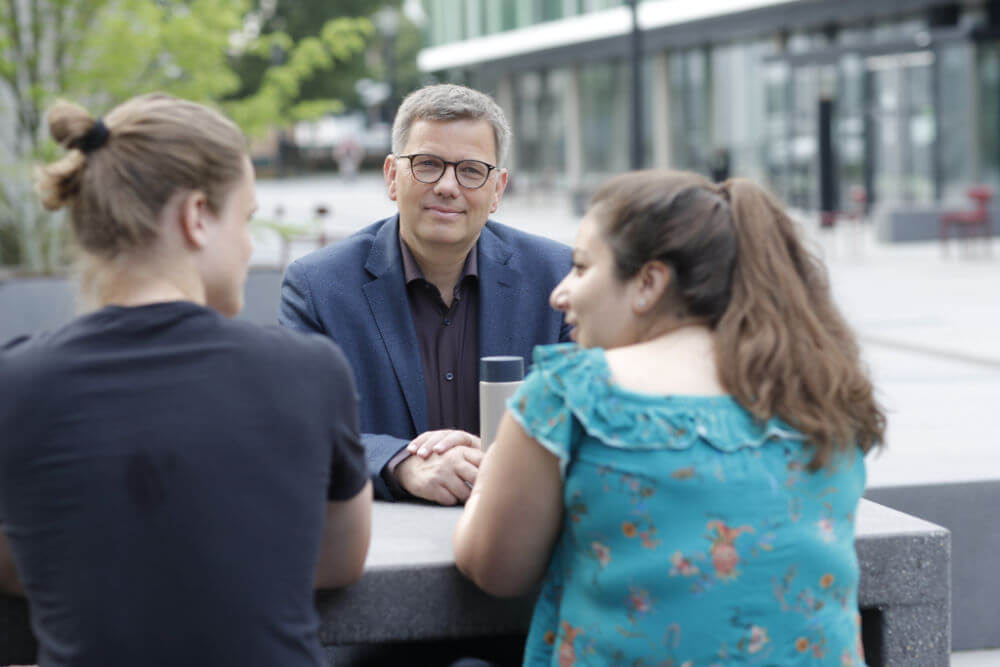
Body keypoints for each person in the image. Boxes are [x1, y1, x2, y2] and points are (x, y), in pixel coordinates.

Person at [453, 170, 885, 666]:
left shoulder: (576, 392)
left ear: (649, 283)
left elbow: (494, 569)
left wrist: (488, 479)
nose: (559, 293)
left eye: (580, 267)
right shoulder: (815, 388)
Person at [0, 94, 372, 666]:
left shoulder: (16, 384)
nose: (250, 245)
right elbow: (339, 560)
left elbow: (27, 561)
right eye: (244, 219)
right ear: (197, 216)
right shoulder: (308, 371)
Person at [280, 84, 572, 504]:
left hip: (521, 535)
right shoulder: (319, 288)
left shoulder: (558, 278)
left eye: (471, 170)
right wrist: (400, 463)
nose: (448, 186)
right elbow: (298, 427)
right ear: (391, 177)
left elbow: (586, 418)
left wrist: (500, 459)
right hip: (385, 548)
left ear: (498, 190)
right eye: (428, 165)